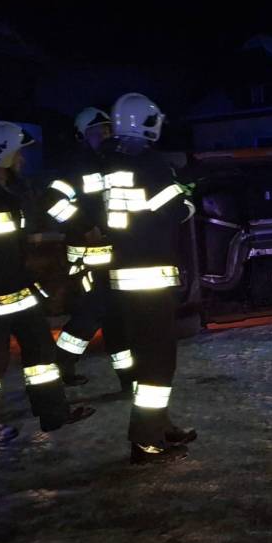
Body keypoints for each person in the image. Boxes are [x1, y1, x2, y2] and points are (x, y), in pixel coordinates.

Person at [0, 121, 95, 441]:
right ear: (1, 154)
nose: (22, 159)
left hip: (17, 289)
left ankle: (54, 414)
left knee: (41, 355)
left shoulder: (12, 191)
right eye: (18, 153)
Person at [101, 93, 197, 464]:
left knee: (147, 357)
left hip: (124, 274)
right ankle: (145, 439)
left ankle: (160, 425)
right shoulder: (152, 165)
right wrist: (188, 196)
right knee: (159, 361)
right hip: (150, 277)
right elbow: (176, 210)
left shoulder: (110, 165)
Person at [41, 107, 134, 393]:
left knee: (115, 316)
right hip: (87, 257)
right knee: (92, 314)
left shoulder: (114, 162)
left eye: (107, 129)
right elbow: (52, 202)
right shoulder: (76, 166)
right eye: (97, 131)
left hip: (115, 254)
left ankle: (127, 378)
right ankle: (62, 364)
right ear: (83, 136)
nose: (104, 135)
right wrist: (83, 227)